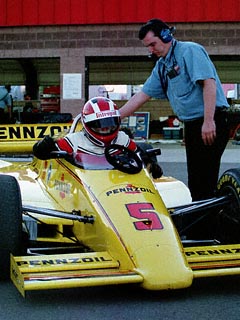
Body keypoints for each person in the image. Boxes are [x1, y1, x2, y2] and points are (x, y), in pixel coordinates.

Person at [119, 18, 230, 201]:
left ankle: (212, 225)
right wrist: (114, 117)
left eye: (153, 44)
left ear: (165, 35)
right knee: (196, 181)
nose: (150, 50)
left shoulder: (190, 51)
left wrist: (209, 121)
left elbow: (208, 84)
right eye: (148, 46)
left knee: (205, 180)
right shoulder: (162, 66)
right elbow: (142, 95)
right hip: (193, 126)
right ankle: (202, 224)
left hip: (211, 121)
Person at [33, 96, 162, 178]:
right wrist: (42, 147)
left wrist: (151, 165)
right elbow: (42, 152)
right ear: (88, 124)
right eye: (99, 125)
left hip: (116, 181)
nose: (105, 128)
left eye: (109, 123)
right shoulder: (74, 141)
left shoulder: (122, 138)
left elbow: (139, 153)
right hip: (84, 181)